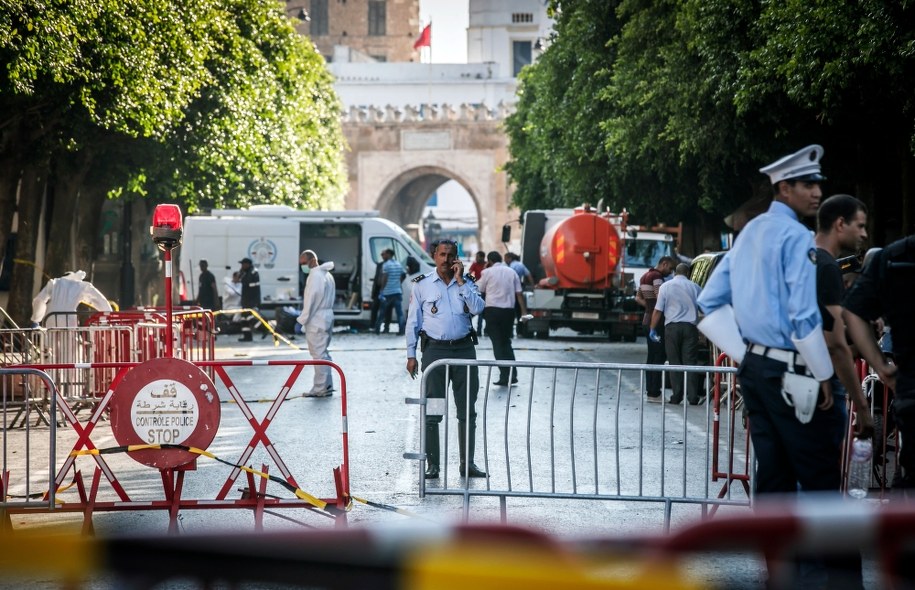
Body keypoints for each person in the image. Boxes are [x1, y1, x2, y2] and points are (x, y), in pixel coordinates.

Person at [697, 145, 842, 587]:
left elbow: (709, 303)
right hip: (794, 370)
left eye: (817, 183)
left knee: (773, 477)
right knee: (818, 479)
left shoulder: (749, 234)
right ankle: (823, 579)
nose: (817, 192)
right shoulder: (797, 237)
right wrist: (824, 374)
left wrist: (749, 356)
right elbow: (803, 316)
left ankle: (776, 574)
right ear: (784, 188)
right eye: (808, 184)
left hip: (756, 368)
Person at [405, 239, 486, 479]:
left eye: (451, 255)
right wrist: (411, 355)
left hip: (463, 351)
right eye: (442, 254)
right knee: (434, 411)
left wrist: (461, 281)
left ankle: (467, 464)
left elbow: (478, 308)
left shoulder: (468, 282)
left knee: (467, 410)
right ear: (434, 256)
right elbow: (413, 322)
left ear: (457, 258)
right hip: (435, 353)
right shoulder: (422, 285)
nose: (446, 259)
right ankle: (434, 466)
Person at [844, 235, 913, 494]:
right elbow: (855, 313)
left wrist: (880, 365)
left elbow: (854, 312)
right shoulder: (894, 257)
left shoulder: (895, 256)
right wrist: (881, 365)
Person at [814, 195, 873, 441]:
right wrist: (861, 406)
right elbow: (835, 345)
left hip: (793, 385)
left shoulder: (802, 260)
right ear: (840, 224)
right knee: (821, 473)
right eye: (859, 225)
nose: (864, 234)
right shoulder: (828, 268)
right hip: (822, 388)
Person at [648, 263, 702, 405]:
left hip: (671, 328)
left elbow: (658, 309)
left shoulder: (666, 286)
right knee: (690, 362)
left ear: (675, 273)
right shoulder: (695, 287)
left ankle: (677, 396)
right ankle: (693, 397)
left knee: (674, 362)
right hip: (690, 328)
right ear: (688, 273)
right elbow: (704, 307)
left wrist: (652, 329)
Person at [476, 251, 528, 386]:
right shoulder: (512, 272)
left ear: (489, 261)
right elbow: (519, 294)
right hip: (508, 313)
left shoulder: (487, 273)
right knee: (506, 342)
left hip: (492, 311)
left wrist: (484, 270)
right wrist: (523, 313)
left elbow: (478, 289)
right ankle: (512, 374)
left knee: (497, 344)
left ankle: (505, 375)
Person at [297, 250, 336, 397]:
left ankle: (320, 388)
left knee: (318, 355)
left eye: (303, 263)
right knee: (324, 353)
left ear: (311, 260)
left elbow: (311, 300)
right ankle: (327, 385)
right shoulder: (327, 274)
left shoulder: (315, 276)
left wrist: (301, 320)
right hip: (326, 317)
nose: (302, 266)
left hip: (317, 319)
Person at [636, 256, 675, 402]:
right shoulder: (657, 277)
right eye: (670, 268)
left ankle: (650, 390)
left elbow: (638, 298)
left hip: (646, 320)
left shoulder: (644, 276)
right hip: (656, 322)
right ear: (664, 264)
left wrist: (648, 306)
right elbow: (661, 298)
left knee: (651, 356)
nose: (670, 272)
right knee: (659, 356)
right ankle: (655, 393)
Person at [30, 270, 112, 328]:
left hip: (51, 317)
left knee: (52, 346)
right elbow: (99, 300)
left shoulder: (54, 283)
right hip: (68, 319)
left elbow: (40, 300)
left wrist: (36, 320)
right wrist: (109, 316)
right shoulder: (80, 285)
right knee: (69, 348)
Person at [374, 248, 406, 335]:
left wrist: (381, 290)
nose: (383, 256)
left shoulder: (386, 265)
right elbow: (403, 274)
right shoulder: (398, 264)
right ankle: (401, 330)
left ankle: (377, 330)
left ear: (388, 254)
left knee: (382, 312)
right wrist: (398, 282)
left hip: (387, 293)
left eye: (384, 254)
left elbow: (384, 278)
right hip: (397, 292)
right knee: (399, 313)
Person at [237, 257, 261, 342]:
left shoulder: (253, 272)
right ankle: (247, 336)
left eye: (243, 264)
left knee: (251, 318)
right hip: (245, 300)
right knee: (244, 319)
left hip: (251, 300)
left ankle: (264, 329)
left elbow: (247, 283)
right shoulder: (246, 272)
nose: (242, 266)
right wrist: (241, 272)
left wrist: (242, 274)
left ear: (248, 264)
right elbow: (237, 279)